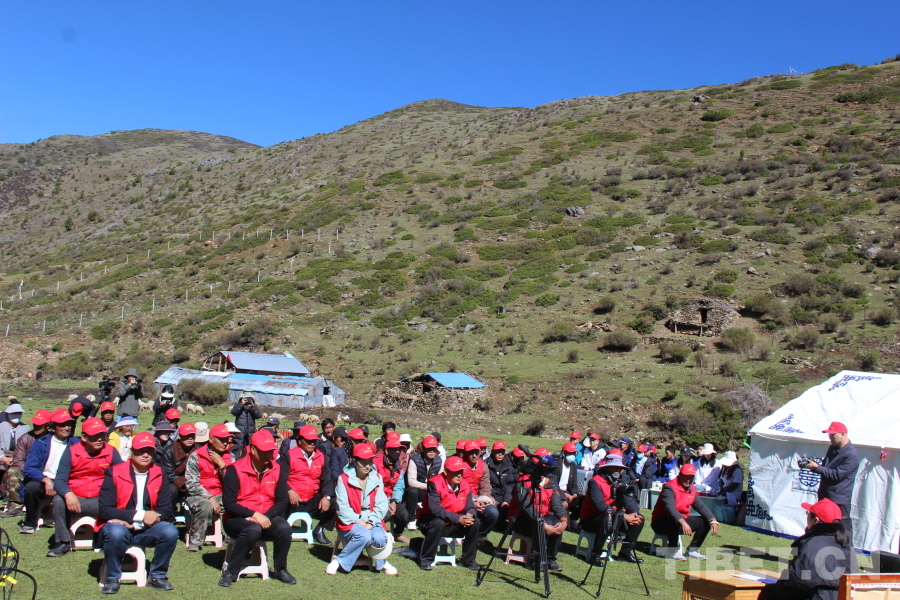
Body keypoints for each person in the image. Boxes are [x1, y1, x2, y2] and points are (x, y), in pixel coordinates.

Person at [97, 431, 178, 594]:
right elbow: (105, 510)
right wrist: (140, 516)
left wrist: (149, 519)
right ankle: (112, 578)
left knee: (170, 531)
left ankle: (157, 576)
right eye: (141, 451)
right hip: (119, 526)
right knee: (116, 531)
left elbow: (166, 510)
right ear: (132, 451)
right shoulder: (113, 472)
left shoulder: (160, 472)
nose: (145, 455)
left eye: (149, 451)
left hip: (148, 528)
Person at [218, 429, 295, 587]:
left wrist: (265, 516)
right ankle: (231, 571)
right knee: (252, 529)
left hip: (266, 516)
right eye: (264, 451)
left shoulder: (277, 469)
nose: (269, 455)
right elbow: (229, 504)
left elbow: (282, 501)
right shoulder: (234, 469)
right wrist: (254, 515)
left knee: (284, 528)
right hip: (236, 518)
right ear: (252, 449)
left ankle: (280, 569)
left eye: (271, 451)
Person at [48, 417, 122, 557]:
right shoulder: (71, 451)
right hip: (76, 499)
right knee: (58, 500)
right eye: (94, 436)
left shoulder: (111, 452)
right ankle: (63, 541)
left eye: (102, 435)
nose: (99, 439)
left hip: (101, 500)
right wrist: (68, 494)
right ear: (83, 437)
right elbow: (60, 480)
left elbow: (122, 478)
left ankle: (106, 539)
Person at [758, 498, 857, 600]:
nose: (807, 516)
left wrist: (781, 583)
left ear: (816, 520)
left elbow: (795, 583)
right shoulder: (846, 544)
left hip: (816, 597)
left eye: (808, 513)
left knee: (768, 593)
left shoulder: (811, 543)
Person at [327, 443, 397, 575]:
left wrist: (370, 522)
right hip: (350, 521)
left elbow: (381, 504)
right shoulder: (343, 479)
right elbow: (342, 507)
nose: (367, 466)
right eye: (363, 462)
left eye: (369, 462)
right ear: (354, 461)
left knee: (380, 538)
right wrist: (359, 521)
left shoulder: (377, 478)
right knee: (364, 536)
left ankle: (380, 562)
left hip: (372, 520)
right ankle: (339, 561)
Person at [20, 409, 80, 534]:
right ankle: (30, 522)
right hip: (45, 478)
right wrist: (45, 480)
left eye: (68, 424)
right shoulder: (40, 443)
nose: (67, 428)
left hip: (67, 480)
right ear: (53, 428)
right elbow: (29, 468)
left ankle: (77, 521)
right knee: (31, 487)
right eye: (62, 425)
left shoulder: (77, 443)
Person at [416, 456, 480, 571]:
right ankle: (426, 559)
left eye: (461, 471)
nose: (459, 475)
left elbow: (470, 506)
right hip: (430, 521)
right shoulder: (434, 483)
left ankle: (468, 560)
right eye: (456, 472)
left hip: (454, 523)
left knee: (475, 522)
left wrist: (469, 515)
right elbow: (435, 509)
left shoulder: (465, 484)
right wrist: (458, 519)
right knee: (438, 522)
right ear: (446, 472)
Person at [509, 448, 569, 571]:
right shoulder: (523, 481)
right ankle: (535, 559)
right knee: (539, 525)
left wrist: (564, 520)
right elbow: (527, 507)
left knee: (556, 523)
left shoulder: (549, 481)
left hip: (543, 514)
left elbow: (556, 502)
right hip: (522, 517)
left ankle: (550, 558)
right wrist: (544, 524)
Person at [580, 454, 645, 564]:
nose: (617, 471)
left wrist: (634, 513)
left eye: (619, 468)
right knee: (606, 519)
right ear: (607, 468)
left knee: (639, 519)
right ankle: (595, 555)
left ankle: (625, 553)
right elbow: (600, 507)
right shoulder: (595, 482)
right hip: (592, 519)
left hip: (613, 516)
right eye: (614, 467)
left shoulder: (620, 482)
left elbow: (629, 501)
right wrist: (623, 516)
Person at [802, 421, 859, 540]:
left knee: (843, 531)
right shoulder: (832, 448)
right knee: (822, 526)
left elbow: (837, 475)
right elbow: (826, 468)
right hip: (825, 496)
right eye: (829, 434)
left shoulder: (851, 454)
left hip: (839, 499)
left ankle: (847, 550)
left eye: (832, 434)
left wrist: (817, 468)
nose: (830, 437)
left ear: (842, 434)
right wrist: (814, 466)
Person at [279, 424, 335, 546]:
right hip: (291, 499)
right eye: (308, 440)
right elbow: (279, 478)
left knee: (336, 502)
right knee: (279, 500)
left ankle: (319, 530)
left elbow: (327, 479)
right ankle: (279, 530)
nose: (312, 443)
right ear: (299, 441)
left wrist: (326, 497)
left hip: (311, 499)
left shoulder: (321, 456)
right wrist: (289, 490)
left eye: (314, 440)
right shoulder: (288, 455)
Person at [650, 464, 719, 560]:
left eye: (691, 477)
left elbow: (700, 506)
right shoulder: (669, 487)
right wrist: (682, 522)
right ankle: (672, 551)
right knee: (673, 520)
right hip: (662, 522)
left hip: (682, 520)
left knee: (705, 521)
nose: (688, 480)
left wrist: (712, 520)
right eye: (686, 477)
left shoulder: (692, 488)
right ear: (680, 475)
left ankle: (692, 550)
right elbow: (670, 508)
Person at [184, 424, 233, 552]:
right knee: (206, 506)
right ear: (211, 439)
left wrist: (222, 466)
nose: (225, 443)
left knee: (236, 505)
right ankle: (196, 541)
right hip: (198, 495)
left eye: (226, 439)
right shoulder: (196, 456)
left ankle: (232, 537)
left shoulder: (230, 457)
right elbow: (191, 483)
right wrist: (210, 498)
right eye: (221, 439)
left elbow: (234, 483)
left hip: (221, 494)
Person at [1, 409, 51, 517]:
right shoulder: (25, 438)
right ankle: (15, 506)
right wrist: (32, 471)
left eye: (40, 425)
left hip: (48, 471)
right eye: (35, 424)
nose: (36, 427)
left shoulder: (53, 439)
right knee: (13, 471)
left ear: (47, 426)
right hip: (28, 470)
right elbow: (18, 461)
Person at [461, 439, 499, 537]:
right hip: (462, 499)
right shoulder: (460, 465)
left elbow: (485, 485)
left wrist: (483, 499)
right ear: (465, 453)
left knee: (493, 512)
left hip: (479, 498)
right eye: (471, 453)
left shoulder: (483, 466)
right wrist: (472, 502)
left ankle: (480, 535)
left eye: (476, 453)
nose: (474, 456)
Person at [404, 435, 443, 524]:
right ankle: (411, 519)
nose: (432, 451)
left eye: (434, 448)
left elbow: (440, 479)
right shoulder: (414, 460)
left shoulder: (439, 460)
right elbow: (411, 481)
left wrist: (432, 487)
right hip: (418, 490)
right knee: (412, 491)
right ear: (424, 448)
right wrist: (428, 486)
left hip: (432, 490)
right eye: (429, 448)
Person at [375, 435, 407, 543]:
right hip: (378, 499)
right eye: (394, 450)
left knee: (404, 516)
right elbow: (375, 486)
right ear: (387, 451)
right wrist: (385, 502)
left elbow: (399, 486)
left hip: (391, 498)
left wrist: (394, 501)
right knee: (386, 514)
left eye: (399, 450)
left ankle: (397, 533)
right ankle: (380, 533)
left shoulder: (399, 467)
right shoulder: (376, 463)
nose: (397, 452)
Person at [160, 423, 196, 506]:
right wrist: (184, 482)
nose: (190, 438)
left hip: (195, 480)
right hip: (175, 481)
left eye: (192, 435)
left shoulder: (198, 450)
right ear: (179, 436)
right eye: (186, 435)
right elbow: (168, 473)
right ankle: (169, 511)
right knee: (171, 490)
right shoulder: (169, 451)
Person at [0, 403, 29, 497]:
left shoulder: (26, 428)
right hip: (2, 455)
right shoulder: (1, 427)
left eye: (19, 413)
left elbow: (27, 446)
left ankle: (12, 493)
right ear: (7, 414)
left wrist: (17, 458)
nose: (17, 416)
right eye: (14, 413)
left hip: (18, 456)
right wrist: (3, 458)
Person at [486, 441, 516, 529]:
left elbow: (509, 485)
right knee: (494, 511)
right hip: (491, 497)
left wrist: (507, 500)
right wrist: (492, 498)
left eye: (502, 452)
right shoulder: (485, 464)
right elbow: (486, 485)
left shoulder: (508, 465)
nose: (500, 454)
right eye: (498, 452)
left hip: (504, 497)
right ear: (492, 451)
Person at [555, 441, 582, 522]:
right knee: (564, 505)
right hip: (557, 491)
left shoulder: (573, 466)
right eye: (570, 453)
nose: (573, 455)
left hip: (567, 492)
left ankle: (573, 520)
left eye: (574, 453)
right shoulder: (556, 465)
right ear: (564, 453)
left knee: (583, 501)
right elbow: (554, 484)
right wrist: (565, 495)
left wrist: (574, 495)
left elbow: (574, 483)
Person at [229, 391, 261, 457]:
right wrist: (241, 404)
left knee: (248, 449)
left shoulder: (253, 407)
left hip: (250, 432)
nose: (248, 400)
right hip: (240, 431)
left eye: (249, 398)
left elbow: (258, 416)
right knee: (238, 448)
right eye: (246, 398)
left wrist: (253, 407)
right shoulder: (238, 405)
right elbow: (234, 412)